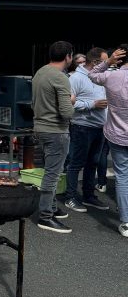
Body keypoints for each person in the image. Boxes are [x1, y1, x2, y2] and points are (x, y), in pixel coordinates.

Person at [32, 40, 75, 233]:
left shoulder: (40, 72)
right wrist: (72, 101)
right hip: (56, 131)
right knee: (53, 173)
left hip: (40, 128)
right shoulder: (60, 77)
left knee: (50, 170)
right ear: (68, 56)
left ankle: (51, 207)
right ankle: (45, 217)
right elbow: (67, 113)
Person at [88, 45, 128, 237]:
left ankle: (126, 221)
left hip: (117, 134)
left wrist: (109, 61)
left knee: (122, 177)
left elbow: (93, 74)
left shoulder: (111, 76)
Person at [64, 48, 109, 213]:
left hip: (100, 127)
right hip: (82, 127)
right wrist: (92, 104)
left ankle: (88, 196)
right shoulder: (75, 78)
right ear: (96, 62)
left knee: (93, 163)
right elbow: (68, 103)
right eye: (106, 61)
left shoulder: (102, 78)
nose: (108, 64)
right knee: (76, 163)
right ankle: (70, 197)